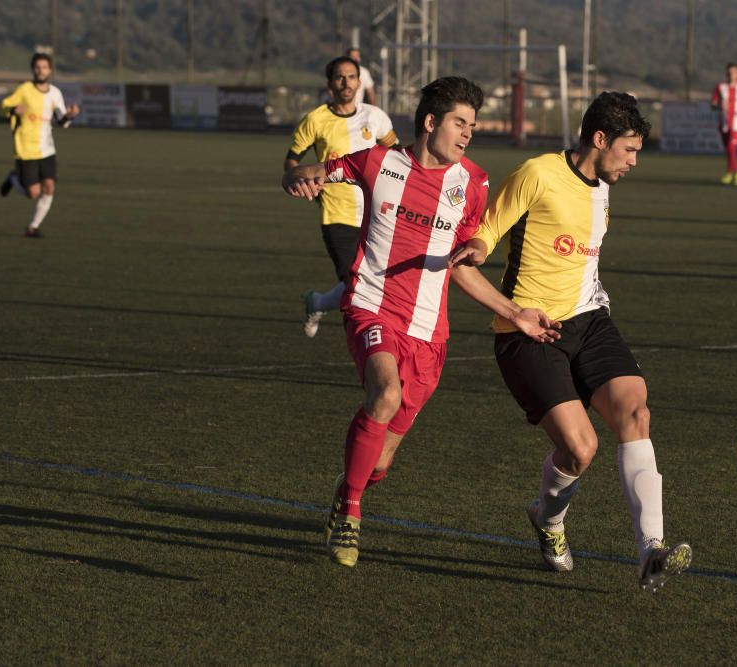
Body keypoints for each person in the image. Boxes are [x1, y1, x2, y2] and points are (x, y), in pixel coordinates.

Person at [282, 76, 561, 568]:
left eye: (472, 125)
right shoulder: (377, 163)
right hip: (372, 307)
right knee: (384, 393)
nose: (468, 133)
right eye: (460, 122)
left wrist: (515, 312)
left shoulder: (472, 183)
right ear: (431, 122)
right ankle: (350, 514)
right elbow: (311, 173)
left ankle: (348, 489)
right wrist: (300, 177)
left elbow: (464, 266)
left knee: (381, 462)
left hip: (430, 334)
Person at [448, 92, 692, 593]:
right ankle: (549, 520)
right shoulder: (537, 173)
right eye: (629, 150)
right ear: (599, 139)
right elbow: (488, 231)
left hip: (590, 320)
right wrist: (476, 246)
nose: (633, 161)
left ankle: (651, 551)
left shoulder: (602, 184)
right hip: (529, 331)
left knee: (635, 411)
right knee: (581, 451)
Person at [285, 55, 399, 338]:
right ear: (330, 84)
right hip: (338, 214)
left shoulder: (375, 117)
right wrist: (300, 180)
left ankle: (320, 302)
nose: (346, 82)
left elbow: (397, 156)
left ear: (359, 82)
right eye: (339, 77)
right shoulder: (315, 120)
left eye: (351, 76)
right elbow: (292, 162)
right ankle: (372, 344)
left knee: (377, 281)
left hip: (378, 213)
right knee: (357, 283)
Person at [0, 53, 79, 238]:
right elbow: (3, 106)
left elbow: (61, 122)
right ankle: (13, 179)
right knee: (33, 194)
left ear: (50, 70)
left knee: (49, 186)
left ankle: (32, 227)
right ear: (33, 69)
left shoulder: (55, 93)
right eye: (37, 67)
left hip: (47, 149)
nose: (41, 70)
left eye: (44, 67)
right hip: (26, 149)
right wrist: (12, 109)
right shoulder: (24, 90)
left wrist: (70, 115)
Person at [711, 62, 737, 186]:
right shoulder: (720, 87)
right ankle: (729, 173)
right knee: (728, 149)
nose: (731, 74)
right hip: (724, 122)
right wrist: (719, 105)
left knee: (731, 147)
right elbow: (712, 104)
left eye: (734, 72)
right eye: (729, 72)